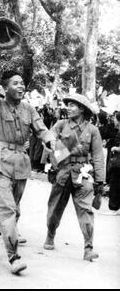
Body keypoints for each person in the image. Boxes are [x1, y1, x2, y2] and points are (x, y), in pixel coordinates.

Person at [0, 40, 56, 274]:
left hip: (21, 164)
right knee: (7, 210)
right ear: (6, 88)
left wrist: (51, 141)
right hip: (0, 163)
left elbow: (42, 129)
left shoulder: (29, 109)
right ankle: (13, 257)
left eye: (22, 83)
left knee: (12, 210)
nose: (20, 86)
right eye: (15, 83)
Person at [44, 93, 105, 262]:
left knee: (86, 210)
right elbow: (48, 143)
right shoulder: (61, 125)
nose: (68, 108)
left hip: (82, 173)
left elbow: (98, 156)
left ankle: (88, 248)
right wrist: (51, 166)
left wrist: (100, 181)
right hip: (62, 171)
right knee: (55, 207)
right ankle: (50, 234)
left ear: (82, 109)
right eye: (68, 105)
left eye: (72, 105)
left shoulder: (93, 130)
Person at [105, 111, 120, 215]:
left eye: (115, 118)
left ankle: (114, 208)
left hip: (118, 163)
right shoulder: (117, 130)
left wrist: (116, 148)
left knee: (115, 183)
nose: (113, 120)